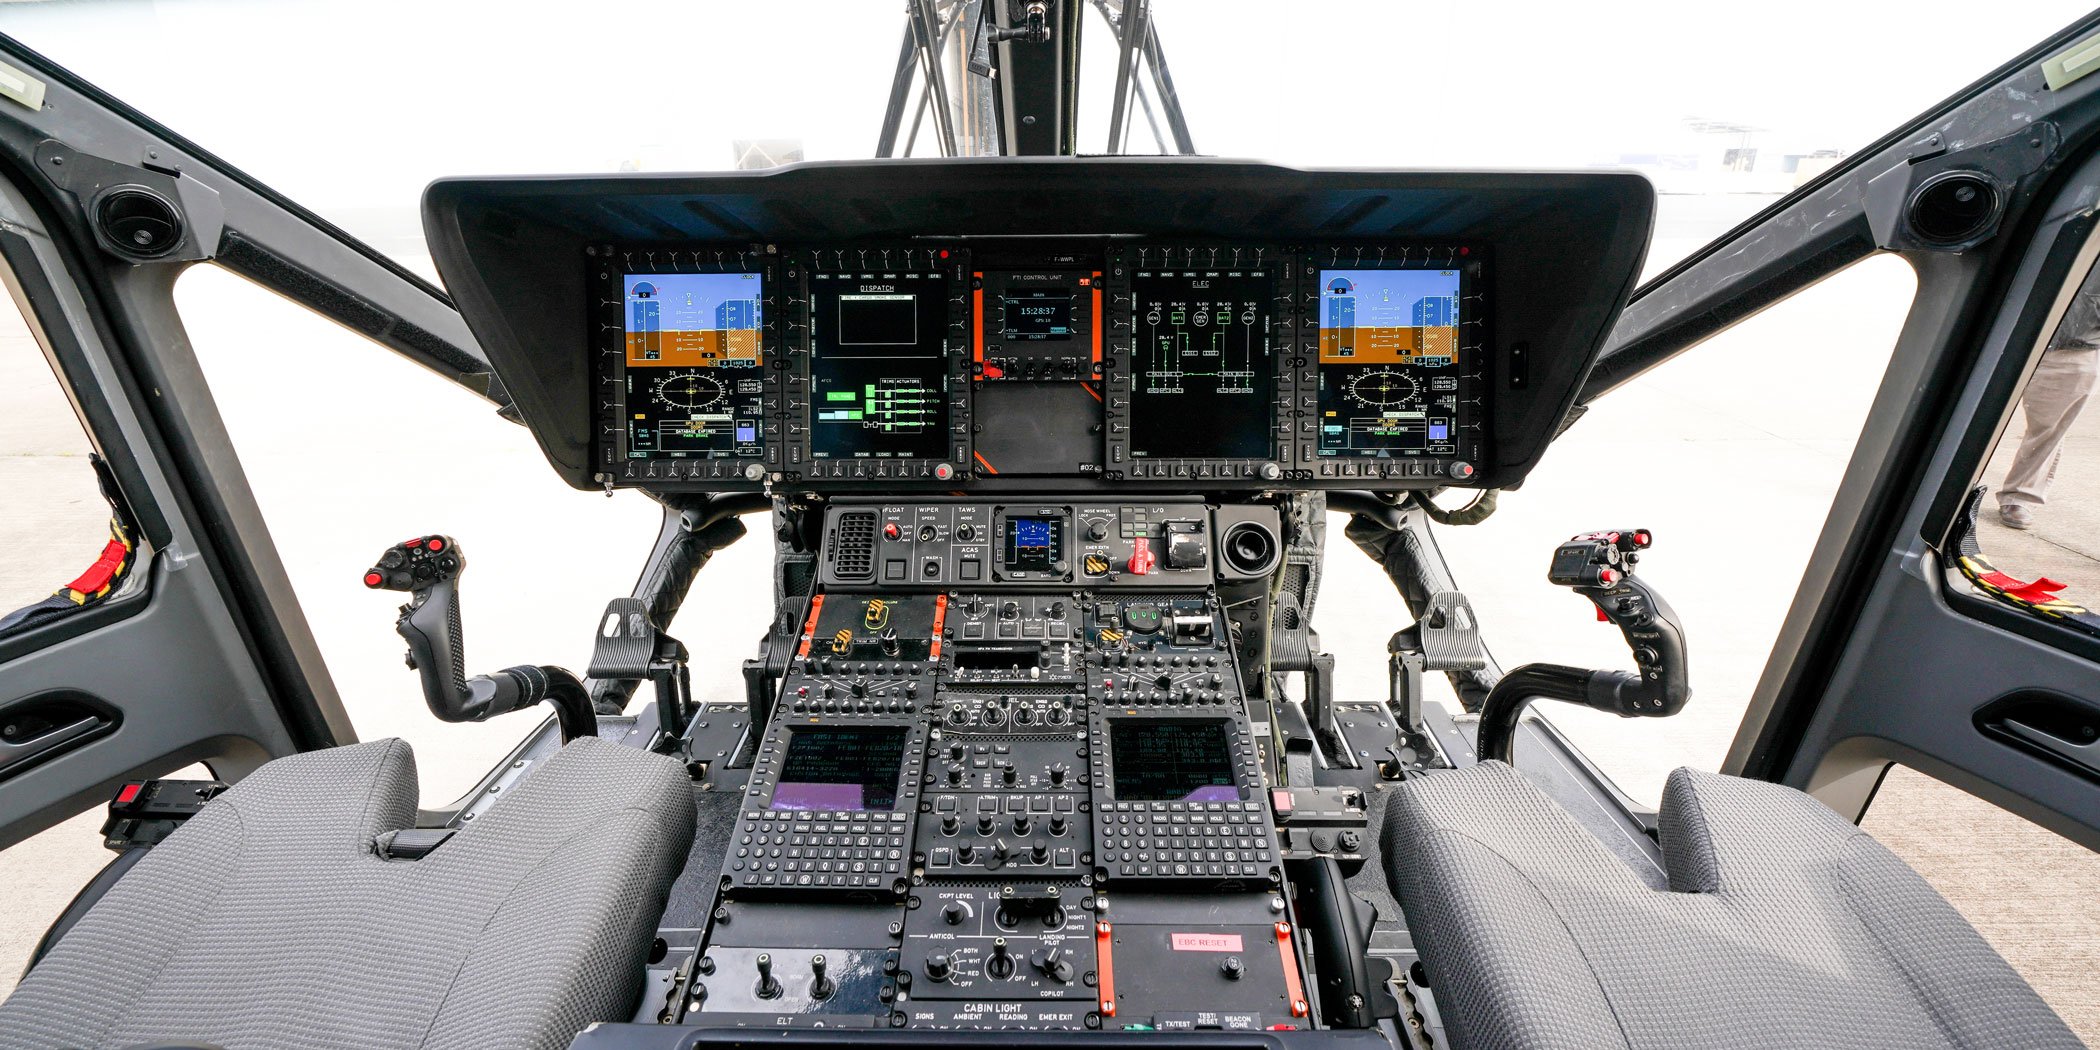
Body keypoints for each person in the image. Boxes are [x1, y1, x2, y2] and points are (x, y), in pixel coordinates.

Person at [2000, 264, 2100, 530]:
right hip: (2008, 335)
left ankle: (2019, 496)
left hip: (2072, 349)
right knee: (1967, 416)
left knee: (2047, 428)